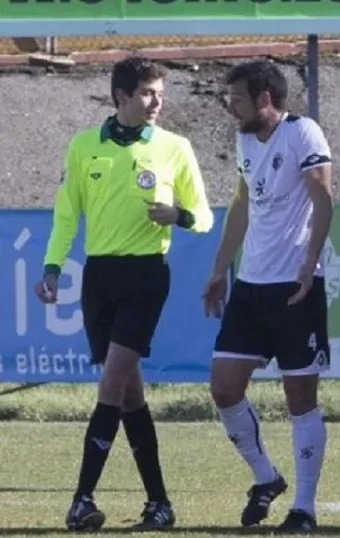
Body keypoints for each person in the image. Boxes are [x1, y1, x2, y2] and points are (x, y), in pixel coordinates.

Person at [36, 56, 213, 531]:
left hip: (145, 277)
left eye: (161, 92)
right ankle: (159, 504)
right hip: (99, 278)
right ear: (121, 97)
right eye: (148, 93)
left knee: (112, 382)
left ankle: (81, 499)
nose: (158, 102)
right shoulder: (82, 147)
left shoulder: (175, 147)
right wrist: (52, 267)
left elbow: (204, 216)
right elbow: (66, 217)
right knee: (130, 395)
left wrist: (178, 216)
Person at [202, 60, 334, 533]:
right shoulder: (243, 140)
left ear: (264, 99)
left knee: (300, 395)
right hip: (251, 287)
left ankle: (304, 507)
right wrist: (220, 269)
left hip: (295, 286)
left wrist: (308, 263)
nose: (229, 106)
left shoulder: (303, 133)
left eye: (236, 98)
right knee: (223, 386)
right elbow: (242, 204)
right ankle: (266, 477)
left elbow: (323, 199)